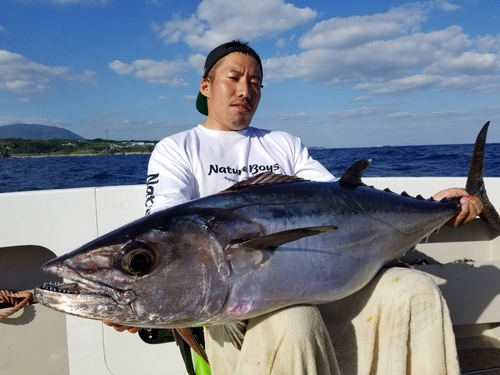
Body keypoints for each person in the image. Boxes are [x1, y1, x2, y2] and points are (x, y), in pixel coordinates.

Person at [107, 40, 482, 375]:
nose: (245, 90)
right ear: (206, 86)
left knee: (416, 290)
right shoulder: (178, 149)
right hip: (232, 303)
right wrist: (142, 294)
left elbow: (340, 202)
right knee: (294, 321)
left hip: (317, 284)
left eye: (256, 83)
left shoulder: (283, 144)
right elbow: (166, 238)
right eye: (233, 78)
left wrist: (435, 207)